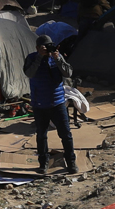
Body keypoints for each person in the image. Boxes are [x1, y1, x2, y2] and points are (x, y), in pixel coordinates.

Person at [26, 35, 77, 174]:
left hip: (57, 103)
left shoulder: (56, 57)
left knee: (66, 134)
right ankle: (43, 163)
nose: (48, 50)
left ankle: (71, 162)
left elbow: (68, 73)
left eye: (50, 46)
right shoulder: (31, 58)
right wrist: (39, 57)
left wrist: (58, 58)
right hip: (39, 104)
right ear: (37, 48)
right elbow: (29, 73)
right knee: (41, 135)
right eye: (44, 47)